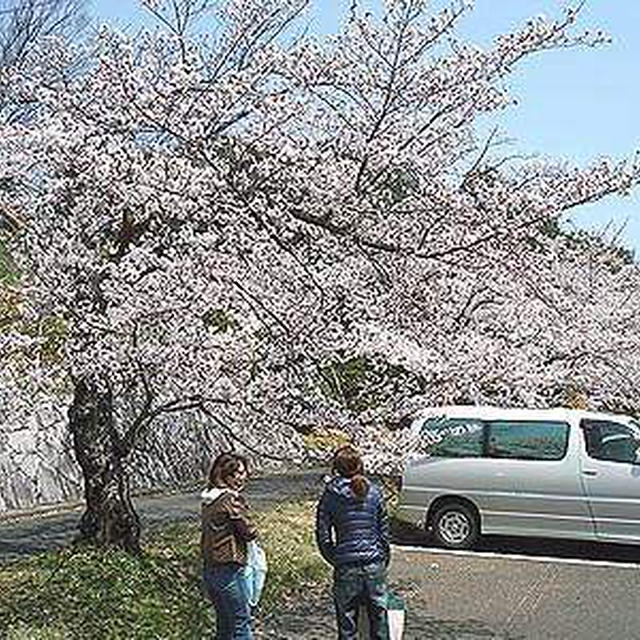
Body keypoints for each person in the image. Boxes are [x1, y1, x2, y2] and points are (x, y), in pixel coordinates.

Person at [315, 445, 391, 640]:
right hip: (374, 564)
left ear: (336, 468)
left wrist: (335, 557)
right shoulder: (374, 492)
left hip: (346, 566)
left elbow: (323, 535)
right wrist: (382, 559)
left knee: (347, 626)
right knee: (380, 621)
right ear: (360, 465)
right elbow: (383, 533)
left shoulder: (330, 494)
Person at [201, 452, 257, 640]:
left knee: (225, 623)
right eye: (238, 473)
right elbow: (248, 531)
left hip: (210, 569)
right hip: (229, 568)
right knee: (242, 622)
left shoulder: (209, 499)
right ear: (226, 475)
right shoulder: (230, 499)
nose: (243, 477)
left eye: (243, 472)